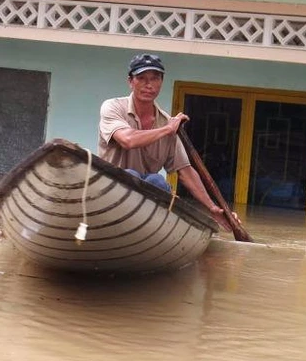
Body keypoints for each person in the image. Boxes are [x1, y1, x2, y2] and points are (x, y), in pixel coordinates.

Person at [98, 52, 240, 232]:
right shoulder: (113, 107)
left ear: (161, 82)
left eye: (155, 78)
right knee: (130, 175)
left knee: (157, 181)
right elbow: (128, 140)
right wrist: (166, 130)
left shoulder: (167, 122)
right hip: (112, 191)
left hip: (148, 198)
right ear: (130, 82)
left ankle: (148, 227)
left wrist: (212, 208)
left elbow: (185, 172)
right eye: (141, 78)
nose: (148, 85)